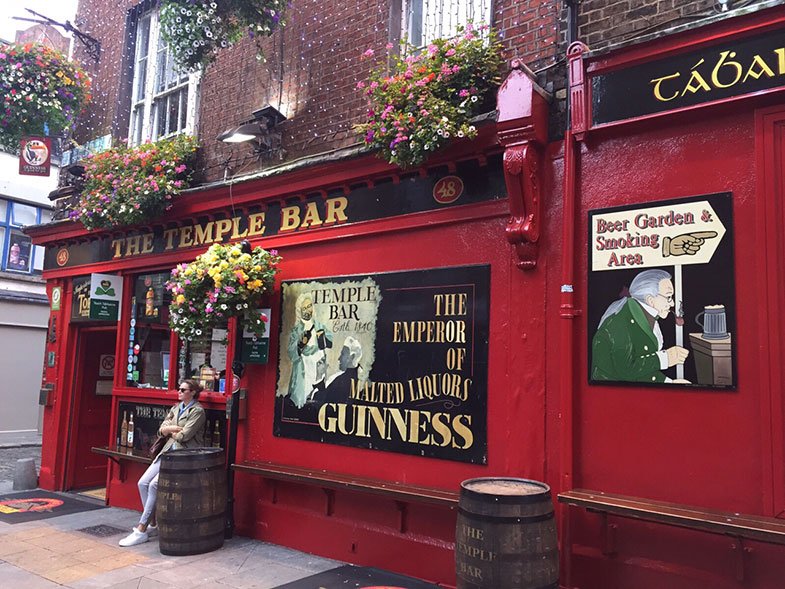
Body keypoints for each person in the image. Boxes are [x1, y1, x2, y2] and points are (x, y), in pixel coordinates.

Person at [119, 379, 206, 547]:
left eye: (183, 389)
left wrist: (169, 429)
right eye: (179, 389)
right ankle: (153, 524)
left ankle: (141, 529)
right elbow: (161, 430)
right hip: (166, 452)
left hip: (183, 455)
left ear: (193, 392)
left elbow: (184, 436)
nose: (179, 392)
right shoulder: (176, 407)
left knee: (154, 486)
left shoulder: (198, 412)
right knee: (143, 483)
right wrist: (173, 429)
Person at [591, 269, 690, 384]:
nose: (672, 303)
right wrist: (665, 358)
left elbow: (644, 371)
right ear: (650, 300)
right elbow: (626, 370)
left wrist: (669, 382)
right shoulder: (619, 323)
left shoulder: (647, 317)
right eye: (668, 297)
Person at [286, 293, 333, 408]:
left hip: (318, 367)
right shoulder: (296, 330)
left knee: (317, 395)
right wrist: (301, 344)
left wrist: (322, 339)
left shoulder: (318, 325)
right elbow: (291, 354)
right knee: (304, 396)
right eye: (305, 307)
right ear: (299, 310)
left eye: (310, 306)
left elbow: (330, 342)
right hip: (304, 368)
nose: (308, 310)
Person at [314, 336, 363, 404]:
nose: (339, 358)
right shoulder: (361, 377)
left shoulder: (341, 380)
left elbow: (319, 399)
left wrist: (319, 376)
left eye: (343, 354)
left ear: (352, 357)